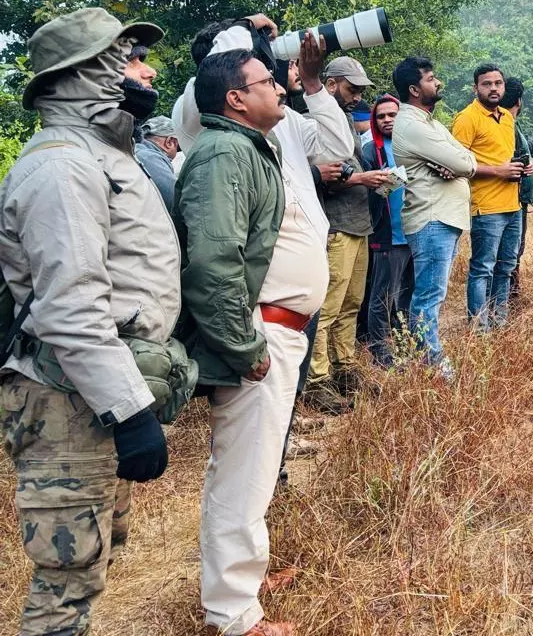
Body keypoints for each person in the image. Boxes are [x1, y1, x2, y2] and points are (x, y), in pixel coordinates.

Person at [0, 7, 179, 636]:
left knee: (97, 555)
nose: (146, 70)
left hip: (91, 395)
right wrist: (129, 412)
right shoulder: (62, 167)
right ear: (85, 76)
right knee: (67, 579)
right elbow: (70, 307)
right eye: (127, 58)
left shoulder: (99, 154)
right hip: (67, 400)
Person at [175, 48, 319, 636]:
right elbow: (212, 261)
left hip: (275, 332)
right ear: (236, 98)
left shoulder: (247, 149)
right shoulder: (225, 154)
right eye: (267, 81)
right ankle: (233, 614)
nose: (281, 88)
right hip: (260, 335)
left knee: (251, 471)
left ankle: (241, 580)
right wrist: (246, 346)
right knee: (244, 474)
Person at [172, 15, 356, 418]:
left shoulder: (286, 122)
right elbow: (214, 260)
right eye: (260, 71)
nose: (273, 77)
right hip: (259, 316)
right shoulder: (196, 116)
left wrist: (312, 83)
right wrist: (243, 27)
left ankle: (281, 464)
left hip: (297, 311)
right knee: (252, 438)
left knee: (279, 416)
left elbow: (339, 148)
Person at [305, 56, 390, 405]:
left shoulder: (343, 120)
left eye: (359, 91)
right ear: (331, 84)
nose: (356, 96)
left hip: (358, 222)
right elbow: (321, 175)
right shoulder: (316, 121)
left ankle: (345, 369)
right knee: (328, 306)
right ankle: (317, 380)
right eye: (351, 88)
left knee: (352, 304)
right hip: (336, 224)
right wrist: (361, 178)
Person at [391, 57, 476, 378]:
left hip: (443, 219)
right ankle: (433, 367)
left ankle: (425, 360)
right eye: (430, 78)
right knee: (428, 296)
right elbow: (467, 166)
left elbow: (466, 157)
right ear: (414, 89)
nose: (437, 82)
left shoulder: (430, 122)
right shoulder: (412, 125)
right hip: (431, 220)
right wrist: (458, 164)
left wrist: (458, 163)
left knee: (432, 294)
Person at [451, 65, 527, 329]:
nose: (493, 88)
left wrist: (520, 167)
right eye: (487, 84)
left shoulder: (507, 117)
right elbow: (454, 165)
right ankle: (478, 328)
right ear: (476, 88)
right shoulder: (466, 118)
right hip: (485, 207)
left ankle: (499, 322)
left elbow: (502, 157)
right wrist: (498, 170)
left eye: (498, 83)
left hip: (512, 204)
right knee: (483, 268)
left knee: (506, 267)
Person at [360, 94, 414, 367]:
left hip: (415, 232)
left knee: (408, 294)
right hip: (387, 234)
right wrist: (398, 179)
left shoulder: (413, 144)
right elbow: (365, 192)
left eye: (392, 115)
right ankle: (379, 350)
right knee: (382, 296)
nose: (387, 120)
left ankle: (406, 343)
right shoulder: (371, 151)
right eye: (381, 116)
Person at [498, 77, 533, 303]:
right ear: (519, 101)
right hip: (509, 199)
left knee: (512, 251)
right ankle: (507, 298)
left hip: (516, 197)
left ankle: (511, 295)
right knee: (510, 251)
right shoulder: (507, 124)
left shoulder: (511, 123)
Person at [135, 114, 181, 210]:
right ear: (170, 142)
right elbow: (177, 202)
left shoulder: (136, 151)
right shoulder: (149, 158)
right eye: (177, 147)